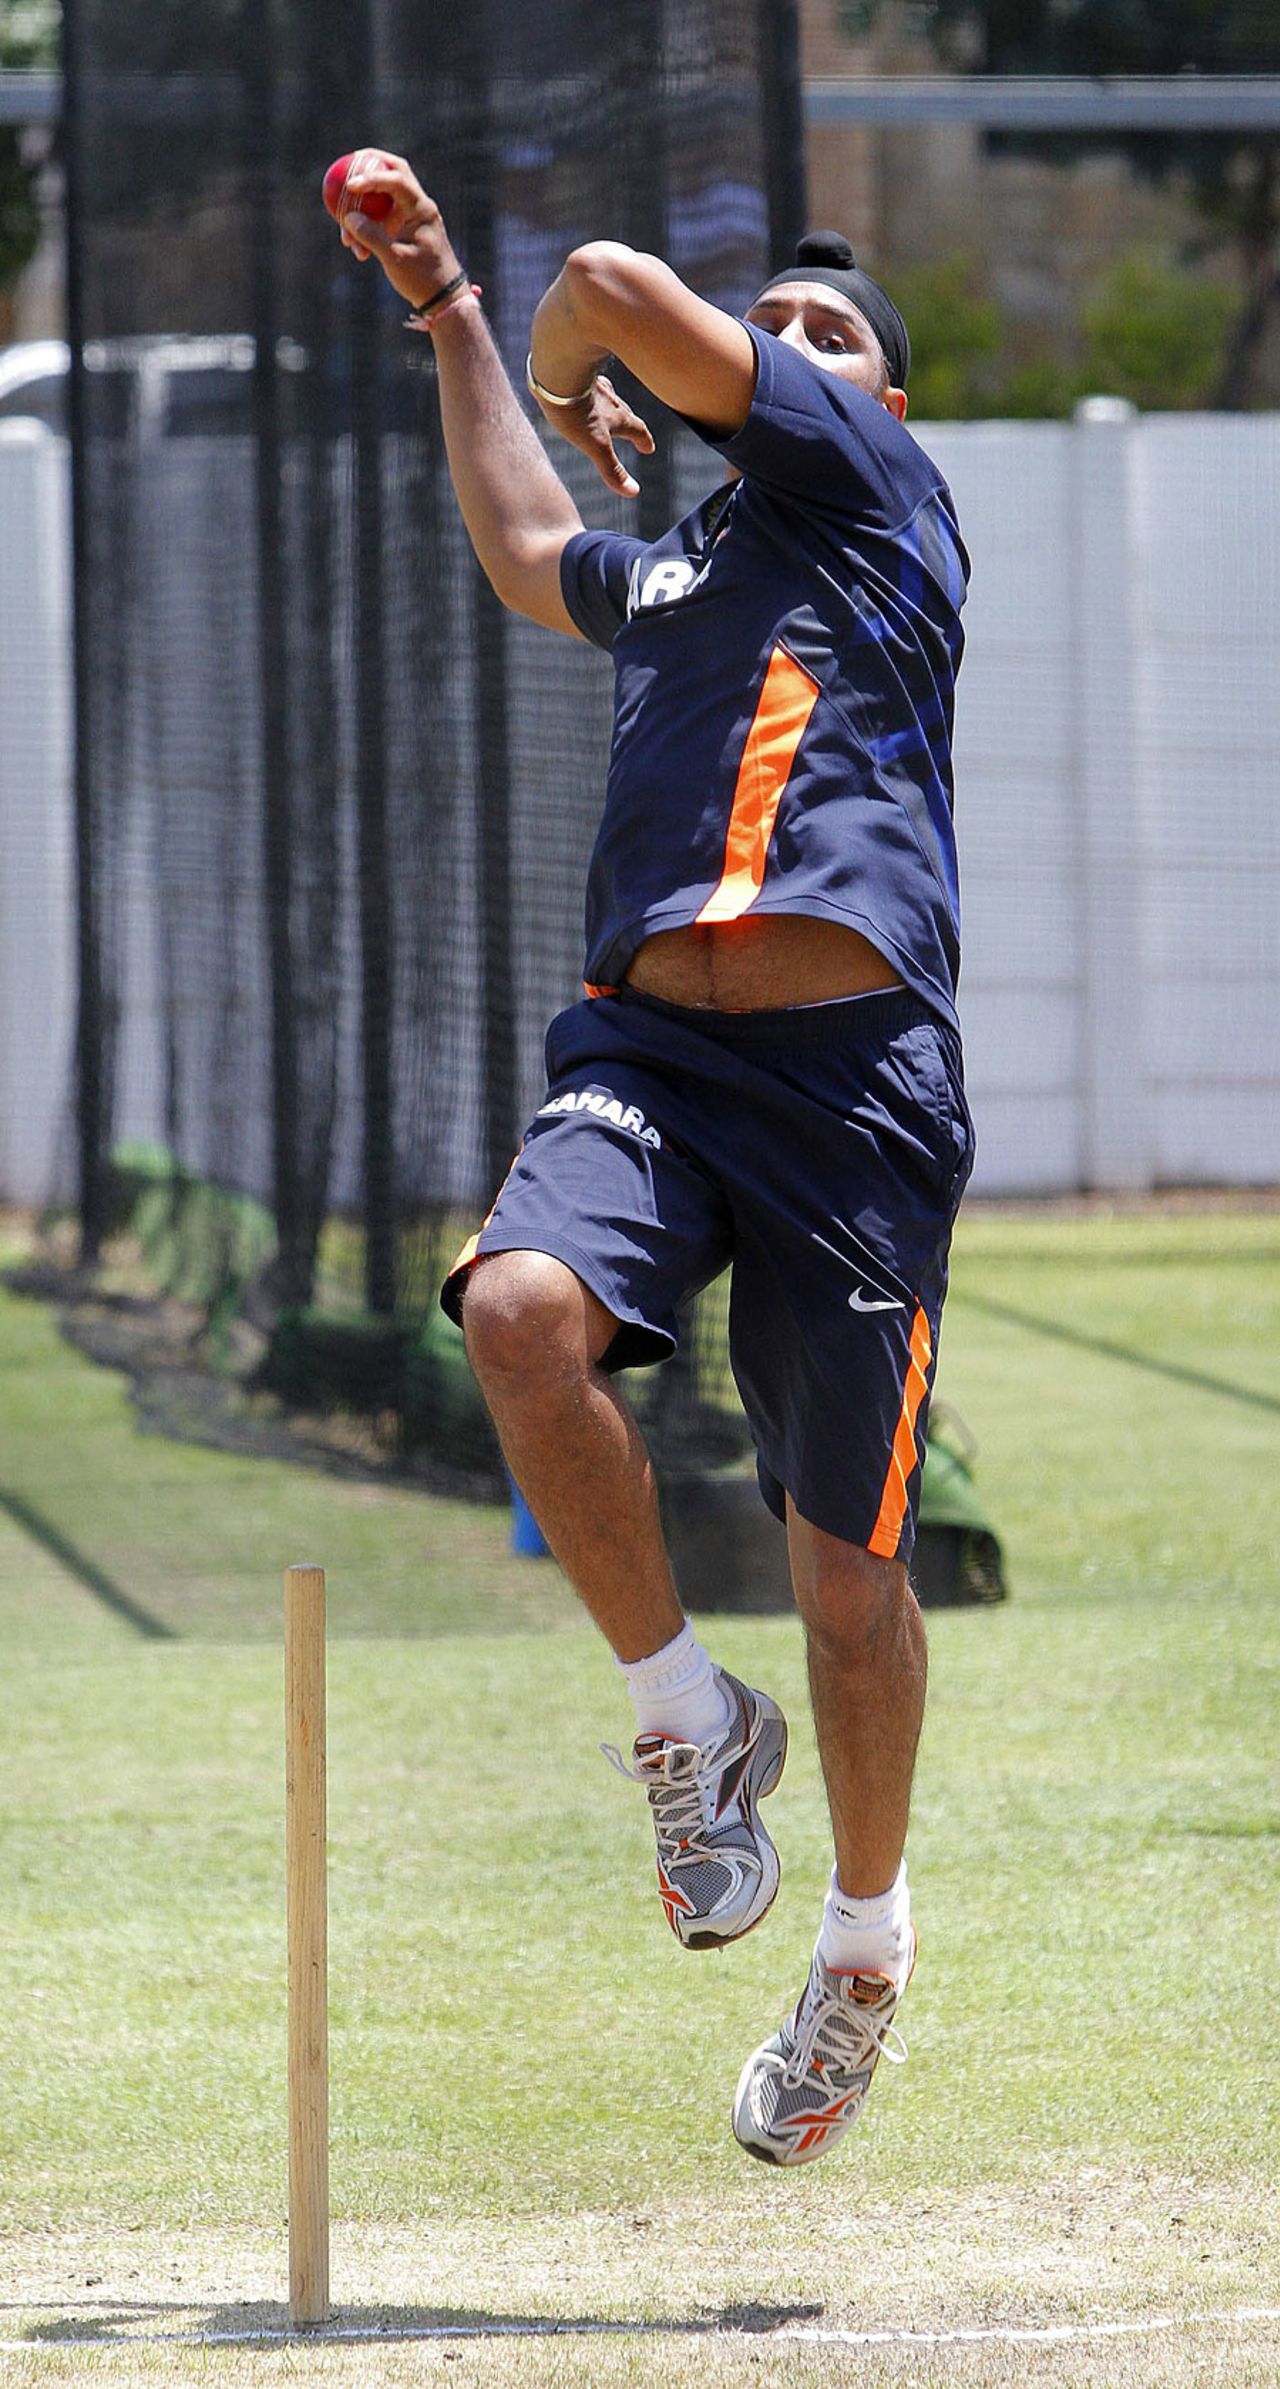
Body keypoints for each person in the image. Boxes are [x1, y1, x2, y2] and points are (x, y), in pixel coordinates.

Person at [333, 151, 974, 2166]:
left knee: (848, 1572)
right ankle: (688, 1721)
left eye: (823, 336)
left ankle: (860, 1951)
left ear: (877, 403)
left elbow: (607, 279)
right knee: (517, 1314)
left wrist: (575, 340)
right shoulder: (686, 566)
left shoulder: (881, 500)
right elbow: (535, 553)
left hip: (848, 1080)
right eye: (765, 323)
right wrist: (448, 316)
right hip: (649, 1051)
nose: (784, 344)